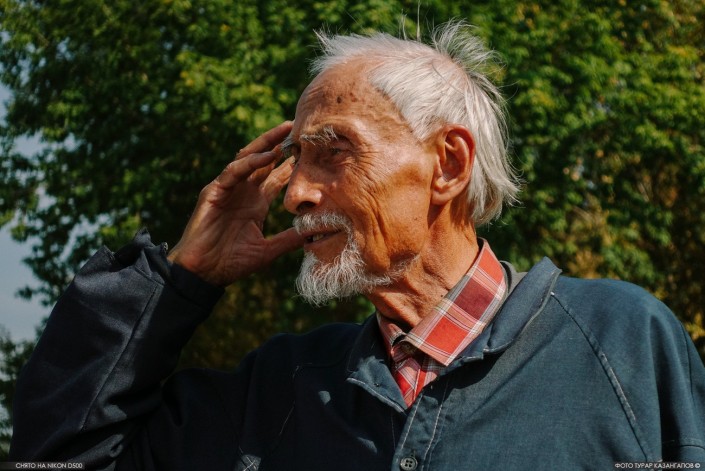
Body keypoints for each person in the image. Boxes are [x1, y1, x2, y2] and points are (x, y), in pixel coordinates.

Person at [10, 22, 705, 470]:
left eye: (333, 152)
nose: (295, 194)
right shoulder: (278, 390)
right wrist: (180, 279)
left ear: (448, 164)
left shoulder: (622, 344)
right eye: (294, 161)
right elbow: (63, 455)